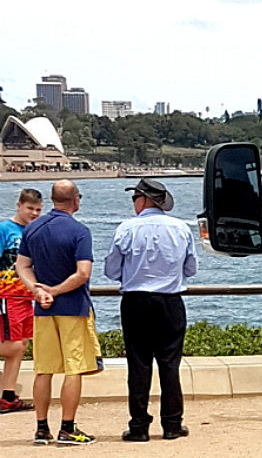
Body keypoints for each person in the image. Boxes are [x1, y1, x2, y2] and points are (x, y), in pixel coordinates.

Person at [104, 178, 197, 442]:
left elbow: (111, 269)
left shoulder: (126, 229)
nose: (133, 203)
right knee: (170, 364)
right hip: (170, 301)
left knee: (138, 365)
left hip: (135, 301)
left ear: (144, 199)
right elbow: (190, 268)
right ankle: (172, 424)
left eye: (134, 198)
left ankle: (139, 426)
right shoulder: (181, 228)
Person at [15, 180, 102, 446]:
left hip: (42, 310)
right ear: (76, 200)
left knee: (44, 369)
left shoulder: (33, 228)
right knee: (74, 368)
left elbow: (22, 266)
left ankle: (41, 428)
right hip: (73, 308)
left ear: (52, 199)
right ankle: (68, 428)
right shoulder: (79, 231)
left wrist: (37, 290)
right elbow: (83, 273)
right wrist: (56, 291)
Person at [0, 189, 42, 414]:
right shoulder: (4, 230)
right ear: (19, 206)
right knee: (13, 344)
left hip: (26, 296)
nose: (34, 213)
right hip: (6, 294)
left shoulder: (34, 233)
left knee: (22, 344)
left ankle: (8, 396)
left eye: (38, 210)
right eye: (30, 208)